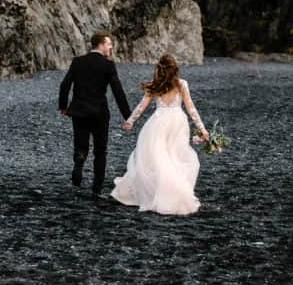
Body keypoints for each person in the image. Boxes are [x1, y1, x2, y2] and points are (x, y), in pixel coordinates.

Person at [111, 54, 209, 215]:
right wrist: (202, 128)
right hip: (178, 122)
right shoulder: (181, 84)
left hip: (158, 122)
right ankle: (172, 191)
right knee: (173, 156)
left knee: (156, 157)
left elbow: (142, 106)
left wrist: (131, 120)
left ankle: (159, 190)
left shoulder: (155, 85)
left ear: (159, 68)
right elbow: (191, 109)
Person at [58, 30, 131, 199]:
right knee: (100, 150)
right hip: (99, 112)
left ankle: (79, 164)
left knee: (81, 144)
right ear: (102, 44)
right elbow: (118, 91)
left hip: (79, 111)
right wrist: (128, 115)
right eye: (109, 44)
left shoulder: (78, 62)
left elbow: (65, 85)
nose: (111, 47)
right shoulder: (108, 65)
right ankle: (96, 189)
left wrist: (63, 106)